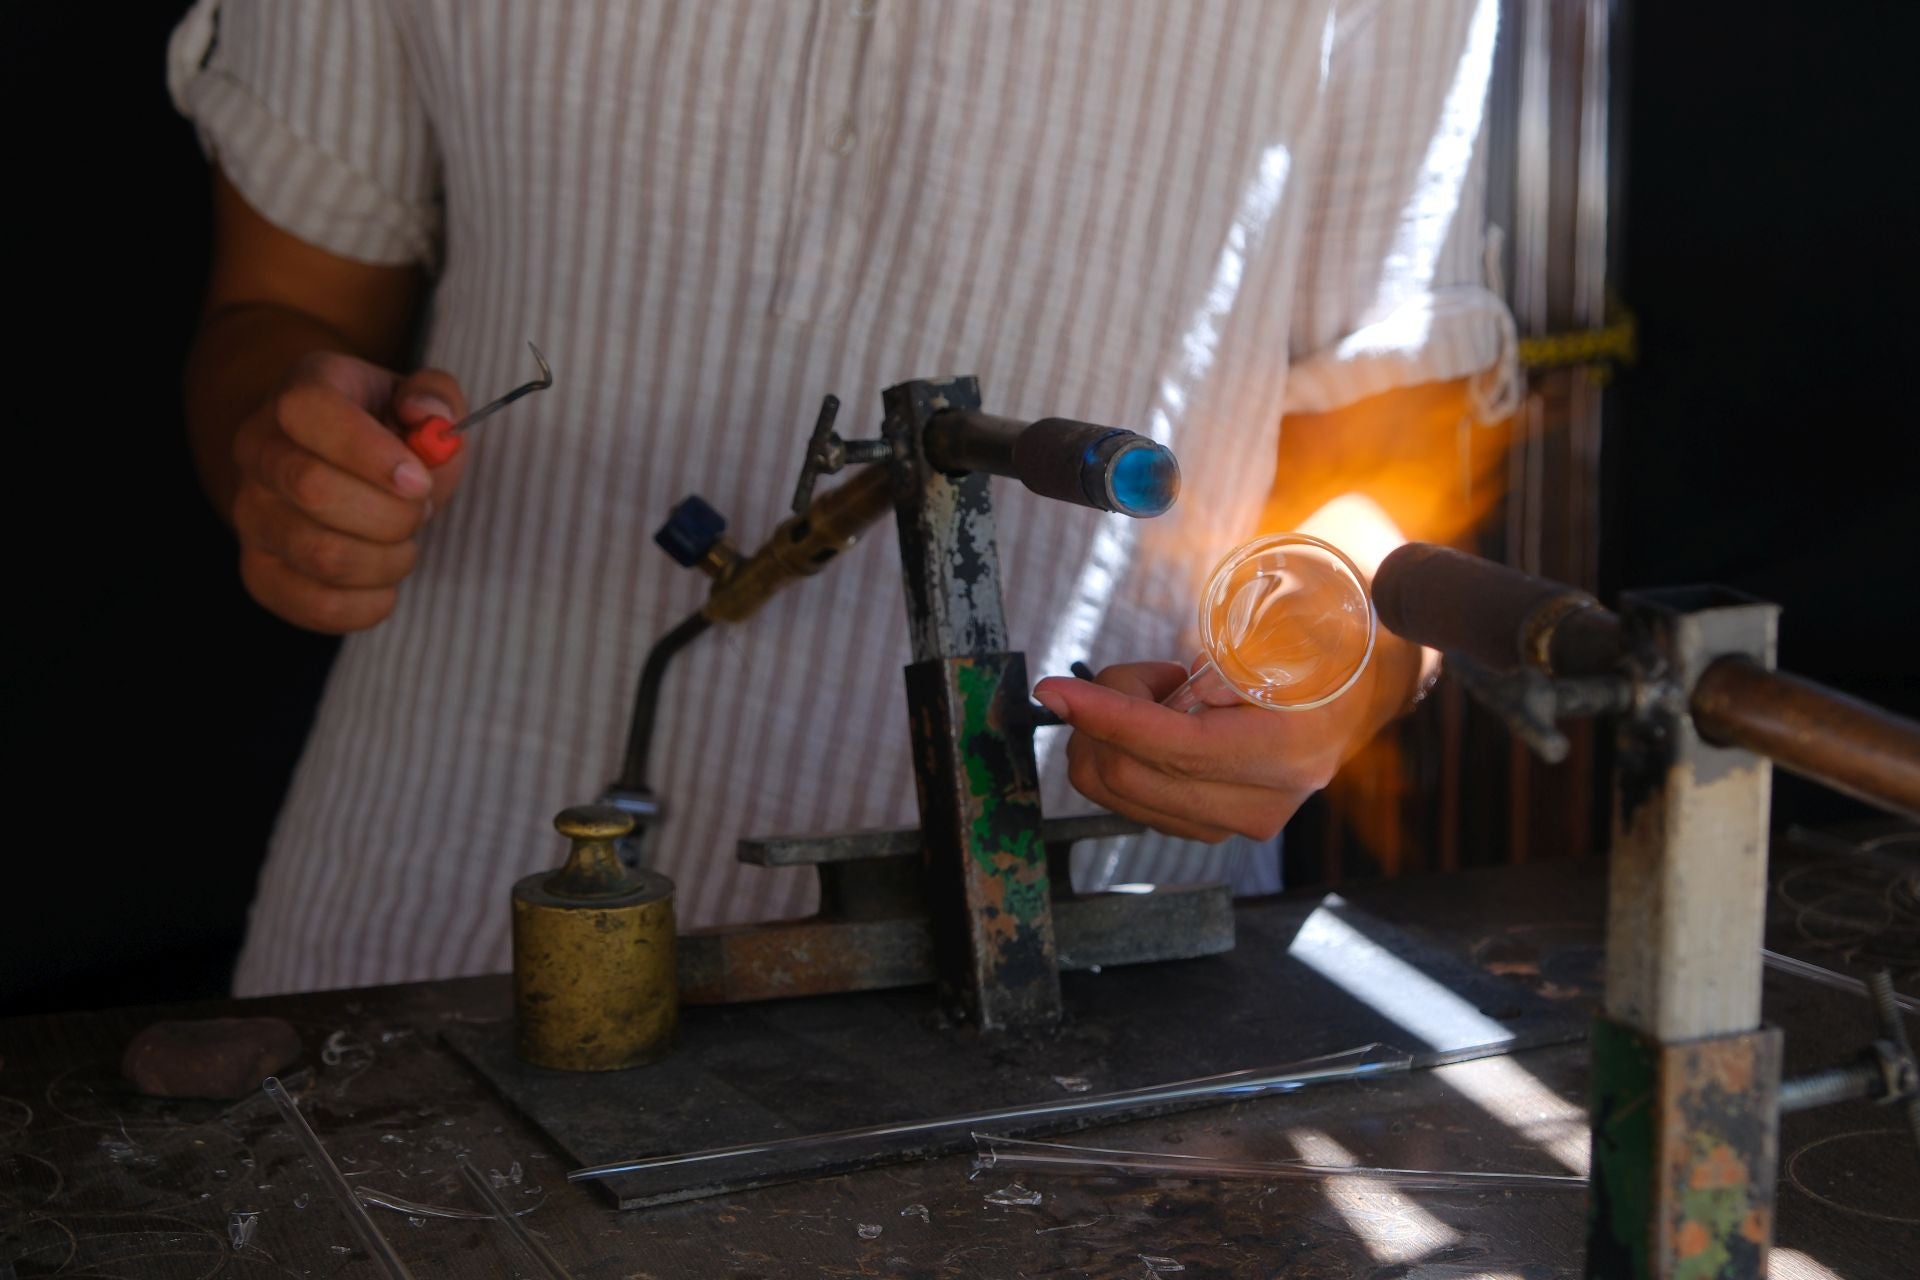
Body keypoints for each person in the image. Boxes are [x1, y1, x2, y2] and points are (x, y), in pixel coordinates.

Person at [170, 0, 1513, 997]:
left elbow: (1396, 446)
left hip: (1093, 979)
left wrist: (1334, 674)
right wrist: (285, 460)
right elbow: (278, 308)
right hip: (429, 920)